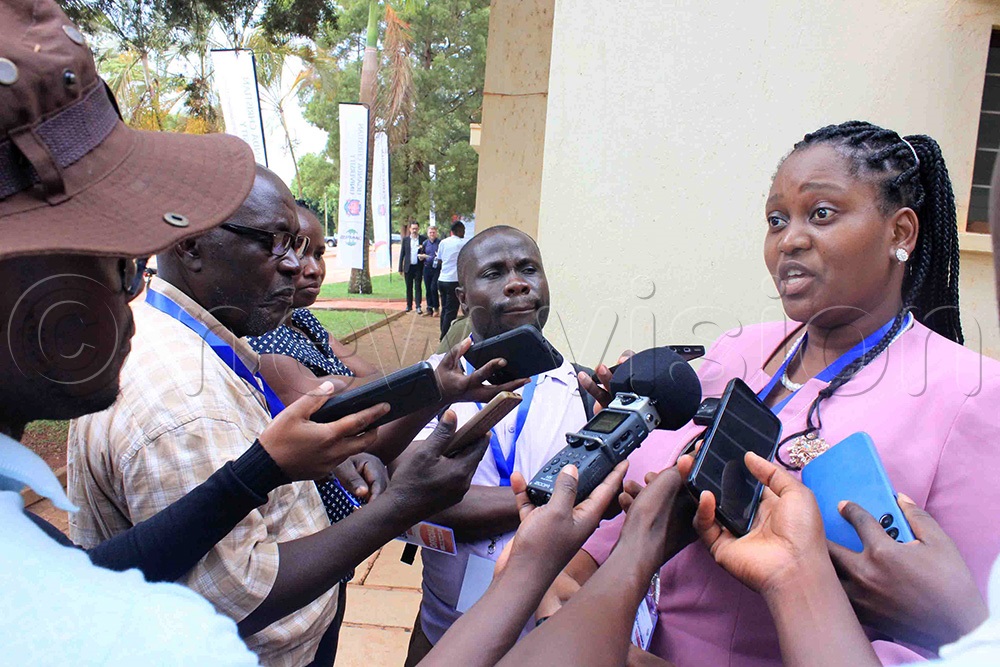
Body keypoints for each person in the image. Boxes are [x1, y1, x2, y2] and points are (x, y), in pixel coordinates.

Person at [550, 121, 1000, 666]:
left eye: (822, 214)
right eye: (776, 220)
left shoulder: (971, 393)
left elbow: (957, 640)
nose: (790, 239)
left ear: (900, 233)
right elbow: (617, 539)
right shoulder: (736, 350)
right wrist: (565, 586)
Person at [67, 165, 498, 667]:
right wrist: (404, 503)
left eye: (299, 244)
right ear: (189, 245)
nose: (295, 266)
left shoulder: (202, 340)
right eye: (274, 242)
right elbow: (235, 597)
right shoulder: (186, 400)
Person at [1, 0, 312, 662]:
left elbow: (90, 564)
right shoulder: (156, 641)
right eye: (119, 264)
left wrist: (257, 468)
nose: (132, 294)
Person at [404, 225, 596, 664]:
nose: (516, 282)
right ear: (462, 299)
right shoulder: (429, 385)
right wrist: (557, 504)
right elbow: (422, 497)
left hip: (545, 643)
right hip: (442, 634)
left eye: (528, 268)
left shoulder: (585, 392)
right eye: (493, 272)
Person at [436, 220, 468, 339]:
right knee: (451, 311)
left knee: (444, 308)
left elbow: (439, 260)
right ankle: (444, 337)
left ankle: (442, 333)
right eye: (463, 231)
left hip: (442, 280)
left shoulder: (443, 242)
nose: (464, 233)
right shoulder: (464, 243)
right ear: (459, 231)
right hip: (454, 281)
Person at [399, 221, 426, 313]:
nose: (414, 230)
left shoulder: (423, 239)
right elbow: (402, 254)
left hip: (418, 267)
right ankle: (409, 305)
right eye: (413, 228)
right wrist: (400, 268)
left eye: (416, 228)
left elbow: (425, 252)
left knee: (418, 286)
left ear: (418, 229)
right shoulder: (406, 240)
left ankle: (418, 306)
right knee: (408, 287)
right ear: (410, 229)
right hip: (408, 267)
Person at [420, 225, 441, 316]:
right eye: (430, 232)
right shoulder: (425, 243)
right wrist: (422, 257)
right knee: (428, 288)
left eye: (433, 232)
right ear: (428, 234)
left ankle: (436, 308)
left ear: (436, 233)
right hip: (427, 267)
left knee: (433, 288)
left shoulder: (440, 243)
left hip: (436, 268)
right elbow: (421, 254)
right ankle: (429, 308)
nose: (432, 234)